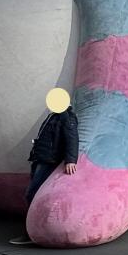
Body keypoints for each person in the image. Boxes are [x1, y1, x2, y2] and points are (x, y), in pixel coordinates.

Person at [9, 99, 79, 245]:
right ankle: (33, 231)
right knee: (32, 194)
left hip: (49, 161)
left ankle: (31, 233)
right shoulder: (53, 116)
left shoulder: (66, 117)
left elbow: (72, 138)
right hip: (41, 159)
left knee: (32, 194)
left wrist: (70, 160)